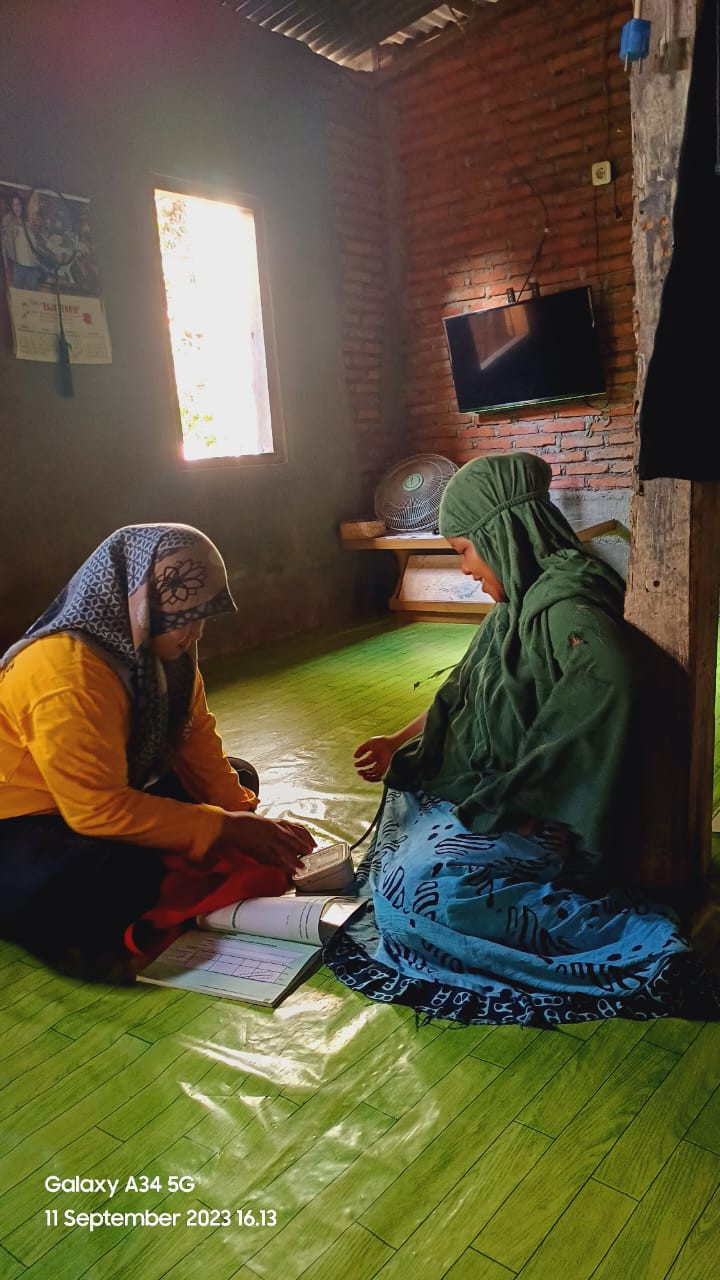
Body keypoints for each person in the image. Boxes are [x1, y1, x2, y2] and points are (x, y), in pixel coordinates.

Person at [326, 452, 720, 1026]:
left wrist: (530, 796)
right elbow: (464, 691)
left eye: (465, 550)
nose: (466, 569)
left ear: (501, 533)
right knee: (404, 812)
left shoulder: (564, 606)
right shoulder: (517, 601)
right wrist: (397, 741)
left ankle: (644, 948)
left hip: (538, 817)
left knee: (412, 896)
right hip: (505, 796)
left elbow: (611, 678)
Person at [0, 523, 315, 979]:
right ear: (138, 601)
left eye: (203, 617)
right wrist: (226, 828)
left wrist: (244, 817)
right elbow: (96, 810)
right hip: (23, 818)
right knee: (93, 875)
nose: (194, 634)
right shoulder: (65, 670)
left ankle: (150, 868)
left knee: (238, 777)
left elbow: (196, 738)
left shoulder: (168, 657)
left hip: (103, 793)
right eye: (183, 617)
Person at [1, 192, 42, 291]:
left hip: (33, 267)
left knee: (32, 296)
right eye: (14, 205)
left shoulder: (31, 222)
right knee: (18, 295)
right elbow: (4, 245)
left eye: (18, 204)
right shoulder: (9, 222)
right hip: (18, 267)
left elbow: (39, 239)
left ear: (23, 205)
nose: (16, 208)